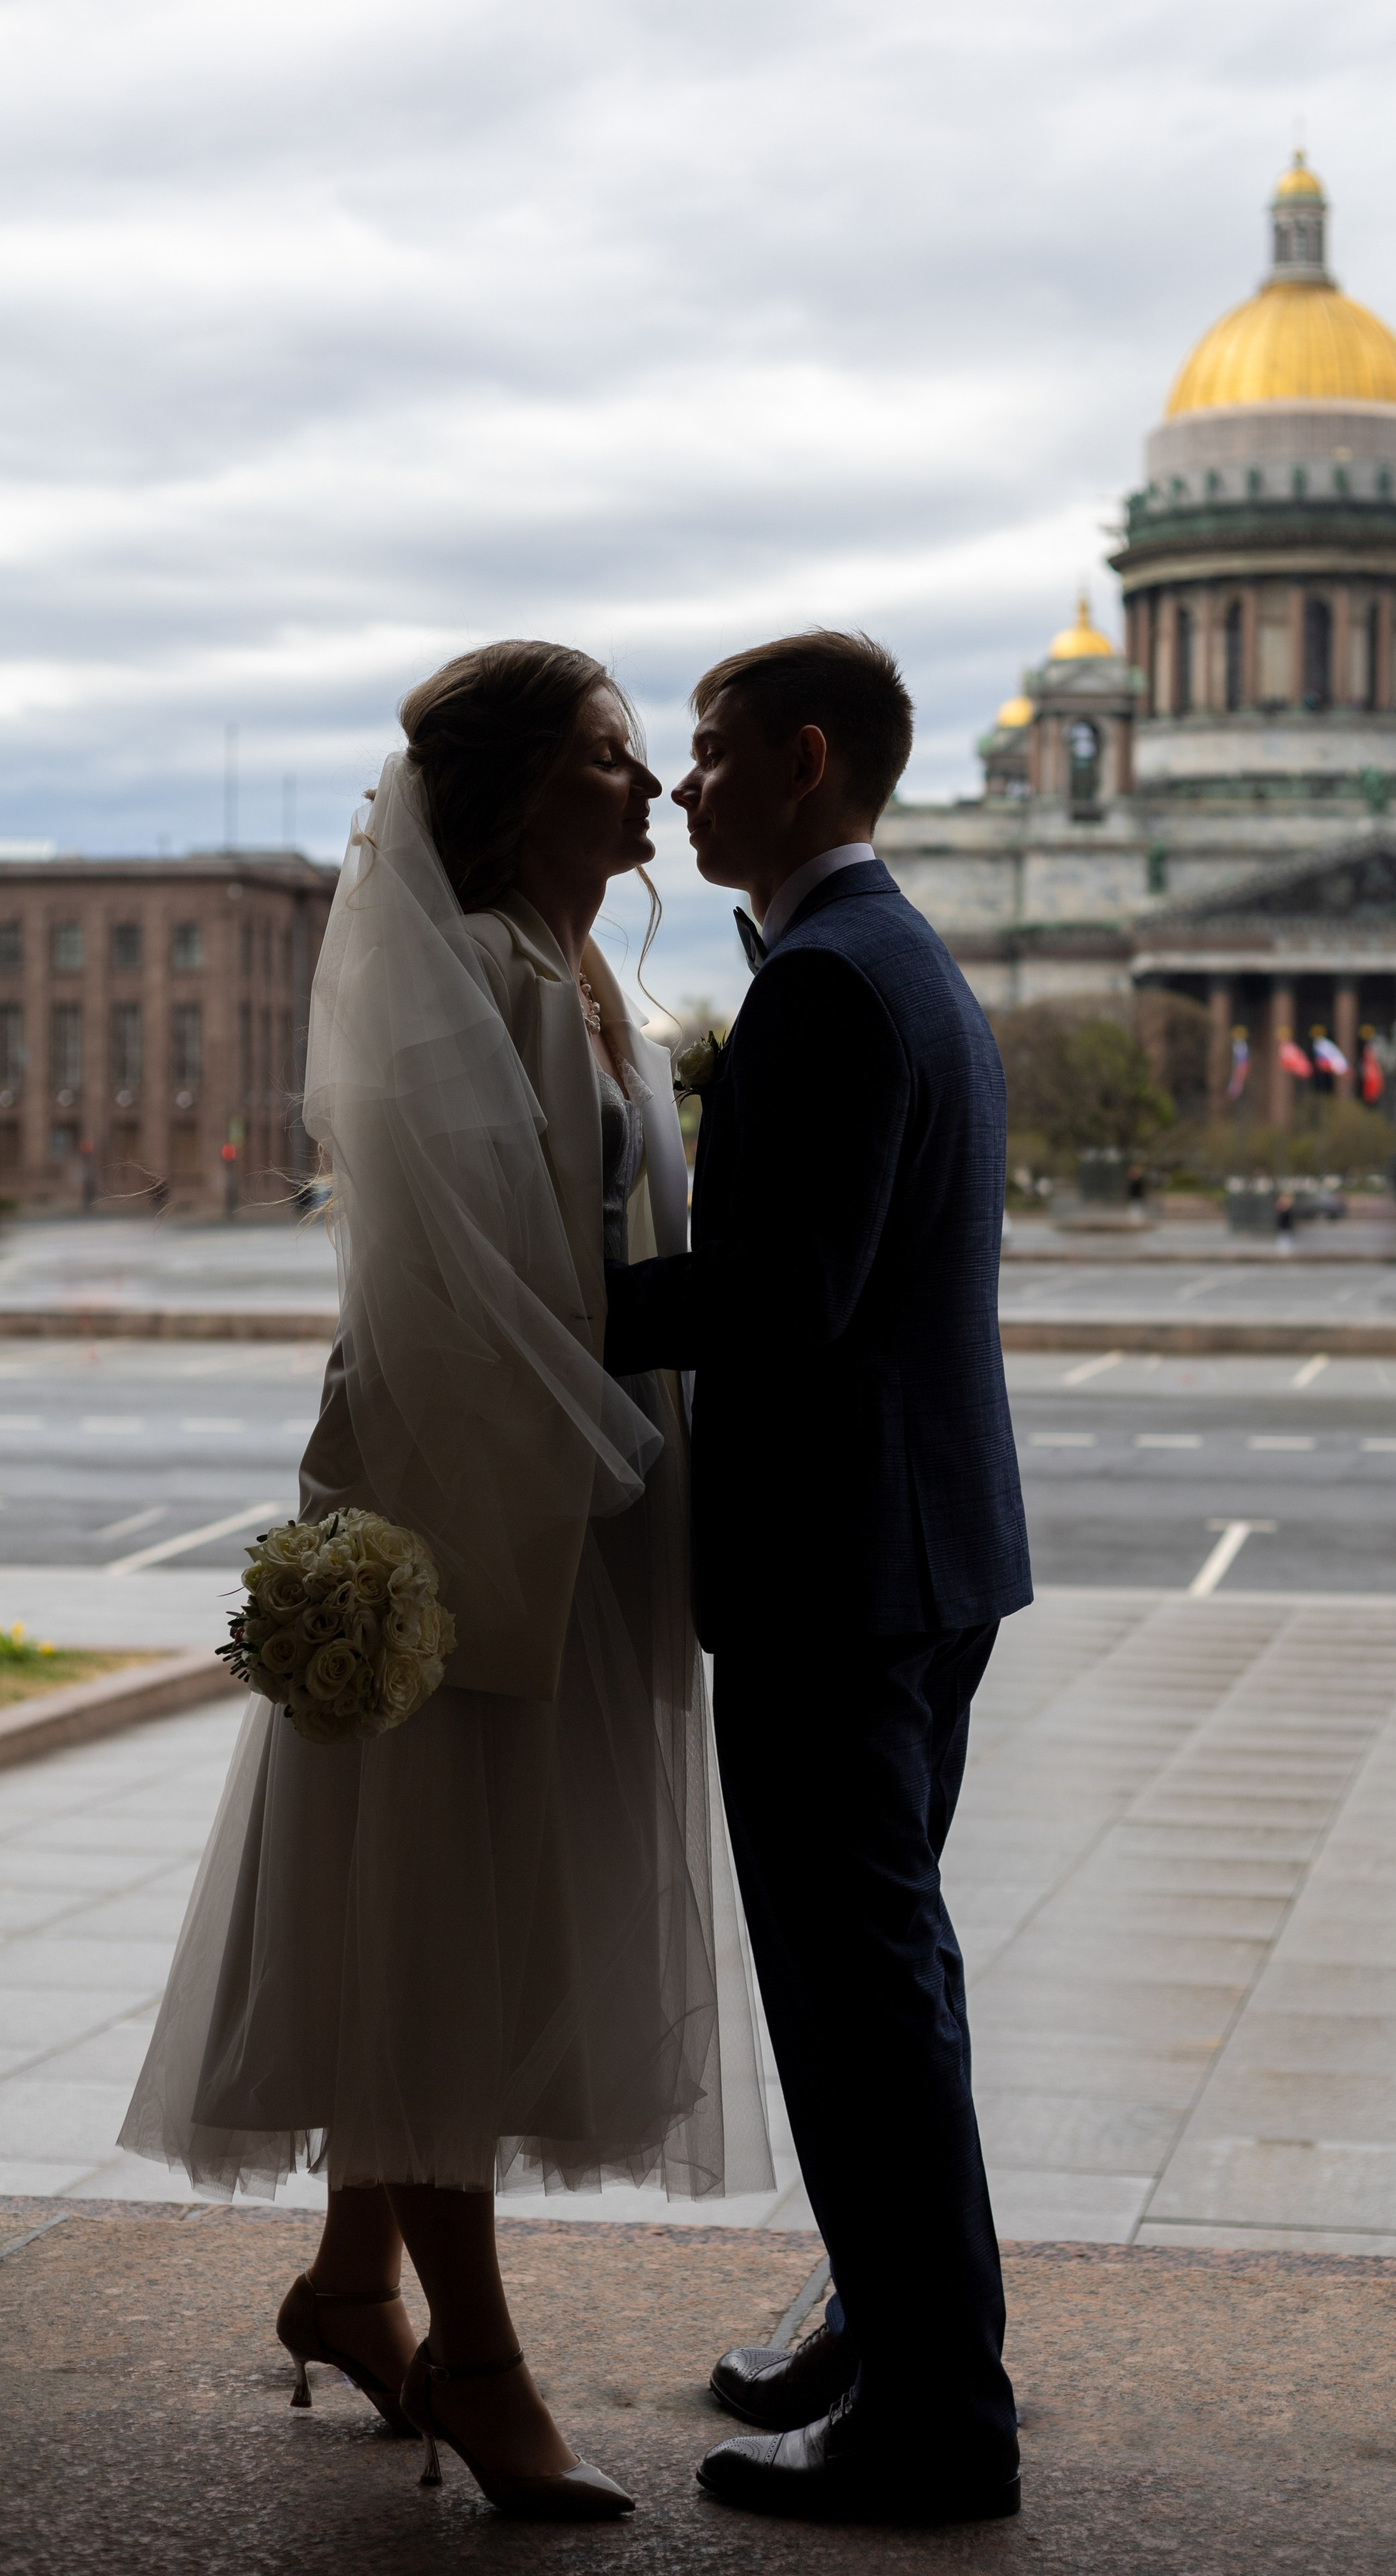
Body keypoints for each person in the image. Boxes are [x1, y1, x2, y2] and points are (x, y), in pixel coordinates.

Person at [119, 641, 771, 2523]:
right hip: (476, 1516)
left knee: (431, 1919)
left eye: (646, 762)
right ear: (508, 799)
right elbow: (466, 1298)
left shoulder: (579, 984)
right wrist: (622, 1455)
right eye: (609, 762)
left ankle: (347, 2281)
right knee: (447, 1932)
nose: (646, 796)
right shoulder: (470, 985)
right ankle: (476, 2360)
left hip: (565, 1499)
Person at [600, 629, 1032, 2525]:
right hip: (920, 1551)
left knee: (865, 2005)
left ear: (800, 759)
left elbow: (790, 1304)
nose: (680, 792)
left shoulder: (834, 988)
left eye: (704, 757)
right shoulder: (892, 958)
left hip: (841, 1577)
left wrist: (552, 1300)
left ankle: (937, 2423)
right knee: (888, 1986)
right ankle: (883, 2326)